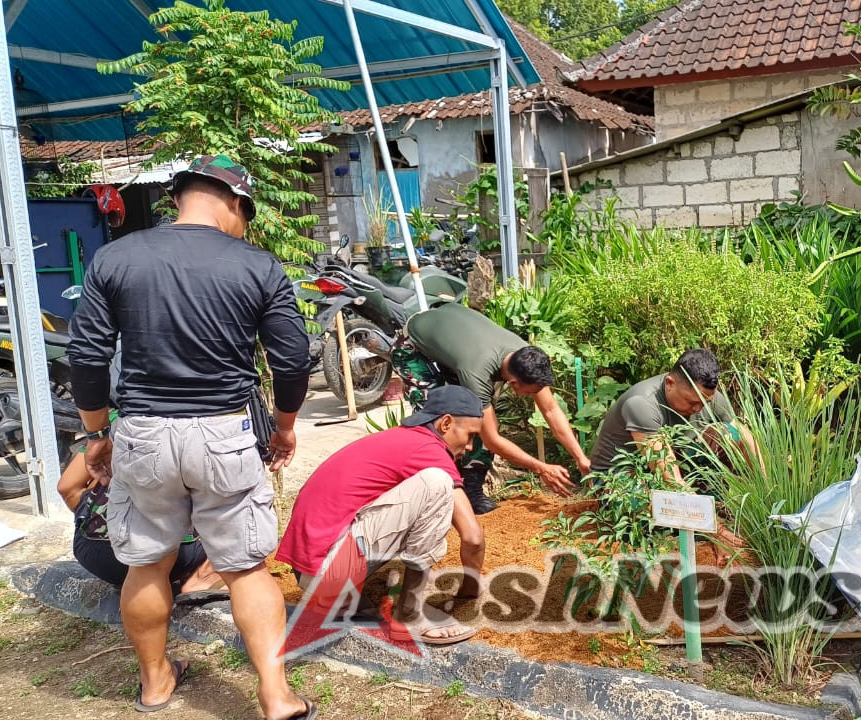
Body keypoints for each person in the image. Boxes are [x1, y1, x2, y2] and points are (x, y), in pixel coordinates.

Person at [67, 154, 316, 719]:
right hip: (225, 434)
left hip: (145, 434)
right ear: (235, 203)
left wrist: (96, 435)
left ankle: (156, 684)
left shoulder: (117, 257)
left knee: (147, 564)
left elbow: (87, 357)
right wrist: (284, 428)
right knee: (245, 568)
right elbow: (292, 359)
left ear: (180, 197)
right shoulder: (257, 265)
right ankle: (276, 695)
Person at [275, 385, 483, 645]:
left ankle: (345, 601)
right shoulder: (429, 451)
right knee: (437, 483)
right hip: (327, 570)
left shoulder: (401, 440)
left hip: (310, 567)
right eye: (470, 435)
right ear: (446, 423)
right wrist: (471, 588)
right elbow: (473, 537)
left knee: (420, 501)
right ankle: (410, 614)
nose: (470, 446)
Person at [407, 303, 588, 596]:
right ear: (514, 383)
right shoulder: (478, 370)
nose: (531, 398)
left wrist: (581, 458)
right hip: (416, 345)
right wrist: (541, 468)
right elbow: (491, 438)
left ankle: (473, 490)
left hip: (456, 338)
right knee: (444, 424)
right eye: (528, 393)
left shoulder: (524, 358)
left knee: (475, 421)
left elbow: (552, 411)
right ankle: (441, 492)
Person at [588, 349, 757, 559]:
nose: (698, 408)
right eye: (691, 402)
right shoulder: (642, 403)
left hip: (673, 463)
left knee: (727, 433)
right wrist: (718, 532)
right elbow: (669, 478)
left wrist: (765, 490)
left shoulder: (708, 397)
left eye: (704, 403)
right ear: (670, 383)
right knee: (643, 516)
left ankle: (702, 514)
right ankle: (697, 526)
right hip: (622, 478)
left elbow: (744, 437)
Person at [60, 449, 227, 602]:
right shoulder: (196, 421)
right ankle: (204, 577)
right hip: (173, 557)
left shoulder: (113, 420)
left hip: (94, 553)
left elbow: (67, 487)